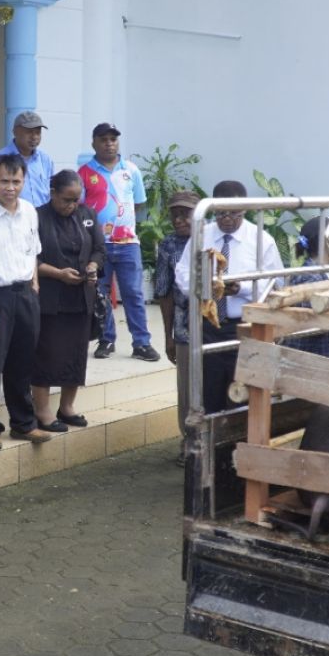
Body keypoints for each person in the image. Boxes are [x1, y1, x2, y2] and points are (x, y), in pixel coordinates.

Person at [175, 180, 283, 413]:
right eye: (221, 213)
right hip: (210, 326)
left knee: (242, 395)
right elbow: (182, 272)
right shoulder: (201, 236)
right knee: (210, 393)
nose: (226, 219)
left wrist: (241, 288)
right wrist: (202, 285)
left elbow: (275, 284)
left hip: (245, 327)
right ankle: (213, 447)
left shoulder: (261, 240)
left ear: (244, 210)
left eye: (233, 214)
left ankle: (239, 444)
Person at [0, 153, 52, 450]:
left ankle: (23, 423)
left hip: (25, 294)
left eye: (16, 181)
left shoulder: (30, 211)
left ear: (24, 181)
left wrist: (35, 284)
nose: (10, 187)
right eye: (4, 181)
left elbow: (33, 251)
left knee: (22, 362)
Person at [32, 169, 105, 431]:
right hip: (51, 298)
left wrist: (93, 267)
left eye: (76, 199)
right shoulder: (38, 217)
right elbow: (30, 260)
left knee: (75, 353)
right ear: (53, 194)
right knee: (47, 354)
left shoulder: (87, 215)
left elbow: (99, 248)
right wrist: (58, 274)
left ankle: (67, 407)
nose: (72, 205)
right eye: (66, 200)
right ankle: (42, 411)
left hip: (80, 296)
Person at [80, 122, 160, 362]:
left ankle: (142, 343)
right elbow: (81, 209)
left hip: (127, 243)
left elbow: (137, 203)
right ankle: (106, 340)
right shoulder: (84, 172)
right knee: (100, 294)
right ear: (94, 142)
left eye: (113, 139)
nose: (109, 143)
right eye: (103, 139)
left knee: (134, 294)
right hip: (98, 245)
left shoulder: (131, 170)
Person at [155, 191, 197, 461]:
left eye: (186, 214)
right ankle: (189, 440)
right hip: (183, 326)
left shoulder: (210, 240)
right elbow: (164, 292)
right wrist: (168, 336)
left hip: (216, 325)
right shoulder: (168, 245)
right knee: (186, 387)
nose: (179, 220)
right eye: (174, 215)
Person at [283, 216, 329, 358]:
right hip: (306, 360)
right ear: (327, 241)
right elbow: (310, 323)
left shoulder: (323, 273)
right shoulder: (310, 278)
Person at [0, 110, 54, 206]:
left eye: (38, 132)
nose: (34, 137)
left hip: (42, 219)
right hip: (12, 218)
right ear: (15, 132)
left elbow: (51, 193)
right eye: (29, 132)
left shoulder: (45, 160)